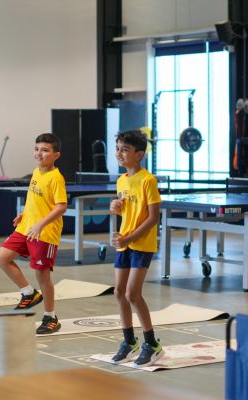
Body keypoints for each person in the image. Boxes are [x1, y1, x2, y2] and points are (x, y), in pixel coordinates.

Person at [0, 133, 67, 334]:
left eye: (45, 150)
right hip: (26, 227)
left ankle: (51, 317)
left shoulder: (56, 178)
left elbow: (61, 206)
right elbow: (35, 200)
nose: (39, 153)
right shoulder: (36, 172)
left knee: (42, 276)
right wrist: (24, 214)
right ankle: (29, 293)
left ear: (56, 155)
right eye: (36, 149)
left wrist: (40, 225)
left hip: (45, 233)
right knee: (2, 257)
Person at [109, 130, 164, 366]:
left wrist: (129, 237)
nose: (119, 153)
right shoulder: (122, 180)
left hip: (141, 243)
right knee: (119, 293)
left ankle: (152, 344)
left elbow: (152, 218)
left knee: (133, 293)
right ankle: (129, 341)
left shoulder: (148, 180)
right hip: (125, 242)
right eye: (118, 148)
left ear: (139, 154)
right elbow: (128, 210)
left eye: (125, 149)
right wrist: (117, 207)